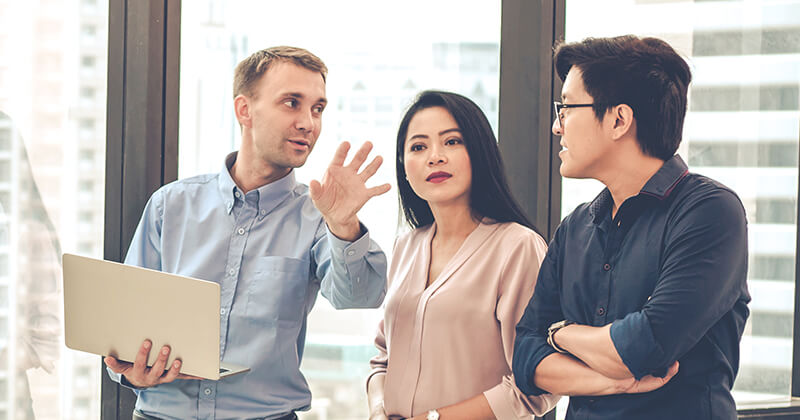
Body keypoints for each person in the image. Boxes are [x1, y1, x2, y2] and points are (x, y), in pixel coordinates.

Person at [104, 46, 390, 420]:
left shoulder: (318, 216)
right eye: (292, 103)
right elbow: (123, 326)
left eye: (317, 108)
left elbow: (359, 297)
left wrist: (344, 225)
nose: (309, 122)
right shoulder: (170, 206)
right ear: (244, 110)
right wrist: (132, 370)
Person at [512, 35, 750, 419]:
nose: (558, 128)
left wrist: (560, 333)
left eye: (567, 108)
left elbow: (644, 347)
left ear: (619, 119)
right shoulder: (575, 227)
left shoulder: (710, 212)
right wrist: (614, 380)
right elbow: (525, 358)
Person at [366, 90, 560, 420]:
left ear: (479, 151)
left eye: (452, 142)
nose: (435, 157)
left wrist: (432, 419)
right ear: (404, 165)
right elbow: (384, 358)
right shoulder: (406, 246)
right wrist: (377, 411)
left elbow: (535, 385)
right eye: (418, 147)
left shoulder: (517, 247)